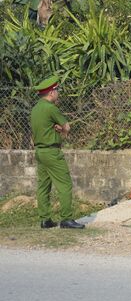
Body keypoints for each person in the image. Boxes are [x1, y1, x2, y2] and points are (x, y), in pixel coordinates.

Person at [30, 76, 85, 229]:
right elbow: (67, 127)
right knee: (65, 184)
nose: (58, 93)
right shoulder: (51, 108)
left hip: (39, 152)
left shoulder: (35, 109)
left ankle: (45, 220)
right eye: (57, 90)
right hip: (52, 152)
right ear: (51, 92)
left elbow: (35, 133)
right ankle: (66, 219)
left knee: (43, 186)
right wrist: (63, 131)